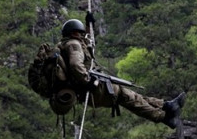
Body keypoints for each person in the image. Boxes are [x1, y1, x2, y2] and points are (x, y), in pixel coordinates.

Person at [56, 18, 185, 128]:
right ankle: (164, 117)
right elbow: (75, 64)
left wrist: (89, 23)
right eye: (80, 32)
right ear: (73, 33)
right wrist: (87, 81)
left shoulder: (67, 44)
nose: (82, 35)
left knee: (133, 97)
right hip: (92, 90)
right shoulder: (73, 44)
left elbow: (87, 45)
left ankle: (166, 106)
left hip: (90, 91)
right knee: (129, 98)